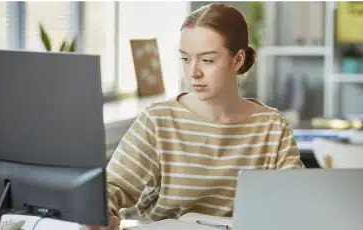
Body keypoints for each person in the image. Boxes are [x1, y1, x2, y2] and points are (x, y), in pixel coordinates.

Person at [87, 3, 304, 229]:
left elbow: (297, 201)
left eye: (207, 60)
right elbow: (111, 186)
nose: (193, 72)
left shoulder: (272, 126)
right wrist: (101, 214)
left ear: (238, 60)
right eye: (185, 59)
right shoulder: (159, 120)